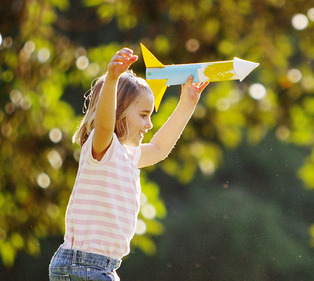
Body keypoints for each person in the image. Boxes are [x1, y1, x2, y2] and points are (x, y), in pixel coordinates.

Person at [49, 47, 209, 281]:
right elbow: (104, 125)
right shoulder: (102, 147)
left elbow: (159, 149)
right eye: (143, 115)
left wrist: (187, 104)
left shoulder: (129, 156)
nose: (149, 124)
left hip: (99, 268)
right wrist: (112, 79)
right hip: (83, 266)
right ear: (118, 112)